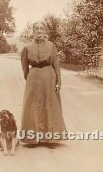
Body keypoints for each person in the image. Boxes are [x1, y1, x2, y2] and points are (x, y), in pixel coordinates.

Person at [20, 21, 67, 149]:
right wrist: (30, 78)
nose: (39, 31)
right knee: (33, 106)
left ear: (44, 31)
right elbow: (25, 67)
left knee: (49, 106)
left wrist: (58, 82)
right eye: (36, 28)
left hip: (49, 78)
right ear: (33, 31)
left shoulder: (51, 46)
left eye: (41, 28)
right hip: (33, 79)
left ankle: (50, 140)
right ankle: (32, 139)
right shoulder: (27, 47)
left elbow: (56, 65)